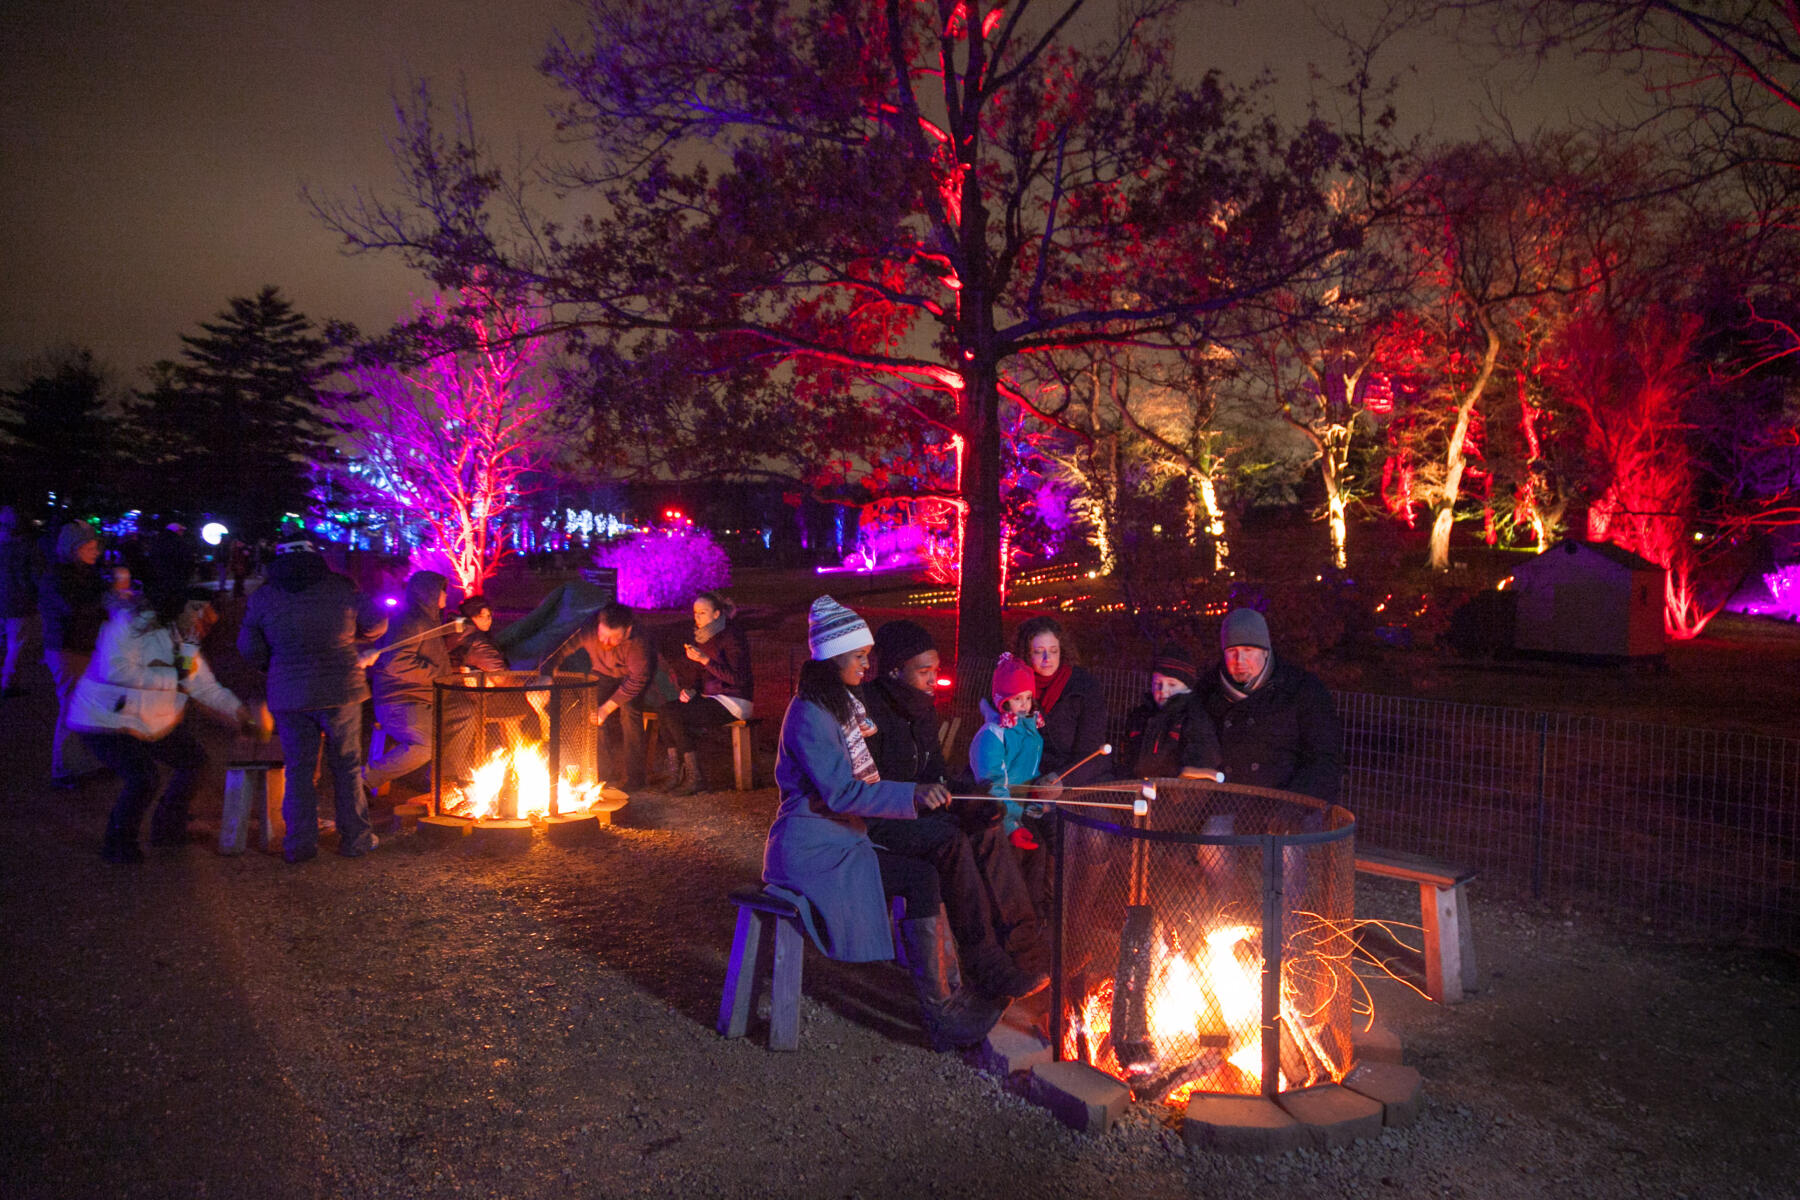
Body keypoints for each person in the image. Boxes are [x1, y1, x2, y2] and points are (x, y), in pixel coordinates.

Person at [763, 597, 1005, 1051]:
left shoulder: (838, 704)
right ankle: (942, 1012)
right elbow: (842, 793)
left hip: (842, 837)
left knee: (927, 873)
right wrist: (910, 794)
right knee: (919, 877)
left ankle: (953, 996)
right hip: (814, 849)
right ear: (833, 656)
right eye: (859, 656)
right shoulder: (811, 714)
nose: (867, 664)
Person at [863, 620, 1047, 1000]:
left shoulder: (923, 711)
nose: (934, 680)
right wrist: (914, 793)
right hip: (884, 819)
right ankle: (986, 964)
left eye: (936, 670)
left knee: (988, 824)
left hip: (922, 808)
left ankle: (1025, 948)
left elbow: (937, 774)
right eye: (924, 672)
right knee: (952, 842)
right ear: (896, 670)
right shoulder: (871, 714)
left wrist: (974, 796)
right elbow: (867, 785)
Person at [71, 588, 267, 863]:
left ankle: (167, 829)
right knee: (142, 778)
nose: (203, 625)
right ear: (181, 607)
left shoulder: (186, 643)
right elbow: (114, 670)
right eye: (199, 615)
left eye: (209, 622)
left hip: (151, 720)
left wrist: (241, 714)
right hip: (105, 718)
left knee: (193, 762)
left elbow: (205, 688)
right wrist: (173, 677)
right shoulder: (133, 625)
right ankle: (118, 842)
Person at [238, 539, 389, 863]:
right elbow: (376, 623)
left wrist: (276, 664)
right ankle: (356, 840)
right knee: (347, 768)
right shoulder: (341, 587)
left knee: (299, 771)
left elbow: (249, 648)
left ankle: (299, 845)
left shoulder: (264, 595)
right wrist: (357, 638)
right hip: (341, 690)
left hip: (290, 694)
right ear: (314, 557)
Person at [1198, 608, 1342, 802]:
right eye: (1232, 651)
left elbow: (1324, 760)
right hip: (1221, 806)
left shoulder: (1301, 690)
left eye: (1248, 650)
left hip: (1281, 808)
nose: (1239, 661)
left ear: (1265, 652)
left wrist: (1294, 806)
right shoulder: (1207, 690)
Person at [539, 602, 682, 790]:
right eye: (602, 635)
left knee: (630, 713)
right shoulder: (587, 629)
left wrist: (606, 709)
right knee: (590, 711)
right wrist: (546, 676)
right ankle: (603, 772)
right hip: (604, 673)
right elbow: (558, 649)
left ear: (628, 631)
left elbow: (637, 680)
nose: (605, 642)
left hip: (631, 678)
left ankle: (635, 778)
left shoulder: (639, 644)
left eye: (612, 638)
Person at [364, 570, 458, 801]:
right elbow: (397, 661)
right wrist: (438, 675)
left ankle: (444, 784)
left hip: (424, 699)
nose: (446, 595)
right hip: (401, 700)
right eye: (442, 590)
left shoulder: (428, 621)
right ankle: (363, 780)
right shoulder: (411, 620)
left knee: (463, 718)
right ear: (430, 593)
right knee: (426, 744)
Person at [39, 520, 109, 785]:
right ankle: (64, 770)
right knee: (72, 708)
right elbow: (72, 609)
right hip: (67, 649)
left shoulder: (84, 573)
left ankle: (83, 763)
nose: (95, 551)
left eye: (96, 546)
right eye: (89, 546)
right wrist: (107, 602)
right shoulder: (58, 576)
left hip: (82, 647)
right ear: (73, 547)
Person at [665, 590, 754, 795]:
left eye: (702, 613)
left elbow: (738, 679)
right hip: (711, 698)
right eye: (695, 613)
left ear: (716, 614)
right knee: (666, 709)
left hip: (734, 700)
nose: (697, 617)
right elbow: (702, 675)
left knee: (676, 715)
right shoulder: (704, 636)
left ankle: (695, 778)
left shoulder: (731, 636)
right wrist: (691, 690)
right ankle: (674, 772)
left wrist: (705, 660)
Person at [1013, 615, 1111, 784]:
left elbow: (1091, 753)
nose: (1047, 659)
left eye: (1053, 651)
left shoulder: (1083, 689)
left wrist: (1061, 780)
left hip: (1071, 781)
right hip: (1022, 780)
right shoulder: (1014, 686)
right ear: (1026, 653)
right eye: (1038, 651)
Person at [969, 653, 1050, 845]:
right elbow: (993, 784)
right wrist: (1010, 825)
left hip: (1022, 813)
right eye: (1017, 698)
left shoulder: (1029, 731)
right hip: (999, 818)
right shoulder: (993, 734)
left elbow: (1030, 772)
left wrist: (1037, 797)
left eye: (1028, 697)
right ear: (1003, 701)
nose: (1025, 704)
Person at [1118, 642, 1222, 780]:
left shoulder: (1194, 718)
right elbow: (1126, 758)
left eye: (1172, 684)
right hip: (1136, 792)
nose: (1163, 690)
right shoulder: (1140, 716)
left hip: (1173, 796)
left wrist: (1175, 796)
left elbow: (1201, 763)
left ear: (1187, 687)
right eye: (1157, 684)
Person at [0, 507, 35, 698]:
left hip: (5, 598)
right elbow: (25, 578)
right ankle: (9, 683)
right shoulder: (22, 547)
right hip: (17, 602)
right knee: (16, 644)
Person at [451, 596, 508, 674]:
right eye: (481, 616)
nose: (487, 620)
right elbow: (499, 673)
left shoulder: (456, 632)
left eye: (489, 616)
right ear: (469, 617)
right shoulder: (474, 640)